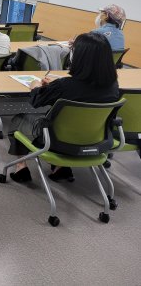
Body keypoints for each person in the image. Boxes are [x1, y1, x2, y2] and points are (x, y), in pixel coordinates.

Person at [7, 32, 119, 183]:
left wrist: (36, 87)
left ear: (79, 57)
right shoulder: (113, 86)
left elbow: (36, 101)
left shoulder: (65, 85)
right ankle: (60, 167)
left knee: (19, 120)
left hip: (59, 142)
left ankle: (21, 167)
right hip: (95, 141)